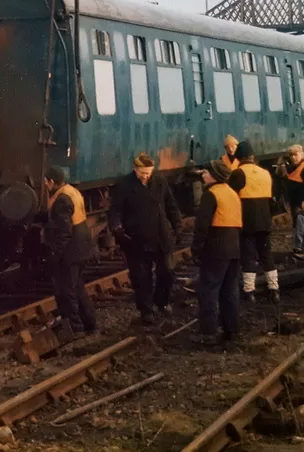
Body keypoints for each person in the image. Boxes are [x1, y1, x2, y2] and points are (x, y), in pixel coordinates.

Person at [109, 152, 182, 324]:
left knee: (167, 272)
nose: (146, 176)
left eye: (148, 172)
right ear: (135, 169)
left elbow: (171, 205)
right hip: (136, 238)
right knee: (141, 277)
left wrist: (177, 226)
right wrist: (117, 228)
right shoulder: (125, 185)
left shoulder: (160, 181)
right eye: (142, 173)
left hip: (161, 236)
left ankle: (162, 302)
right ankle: (146, 310)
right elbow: (115, 210)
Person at [191, 160, 242, 350]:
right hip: (234, 247)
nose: (203, 175)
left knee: (209, 290)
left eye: (206, 172)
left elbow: (202, 225)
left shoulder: (210, 195)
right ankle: (232, 330)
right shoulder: (232, 194)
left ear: (214, 176)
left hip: (216, 247)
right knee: (230, 290)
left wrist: (196, 249)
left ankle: (208, 333)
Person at [43, 166, 97, 336]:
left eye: (45, 181)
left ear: (51, 182)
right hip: (82, 246)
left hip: (71, 251)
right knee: (77, 288)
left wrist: (55, 253)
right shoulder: (71, 191)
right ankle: (89, 324)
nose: (44, 185)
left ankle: (75, 328)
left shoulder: (61, 199)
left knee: (66, 291)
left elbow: (65, 231)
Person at [228, 141, 278, 303]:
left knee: (248, 256)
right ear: (252, 156)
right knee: (266, 254)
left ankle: (249, 291)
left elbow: (231, 196)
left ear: (239, 158)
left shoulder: (238, 173)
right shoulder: (265, 173)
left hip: (247, 223)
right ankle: (274, 289)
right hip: (264, 222)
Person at [276, 144, 304, 260]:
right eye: (291, 155)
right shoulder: (291, 168)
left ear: (302, 154)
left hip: (303, 203)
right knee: (299, 225)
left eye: (296, 154)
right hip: (295, 202)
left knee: (302, 225)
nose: (294, 157)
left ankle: (301, 249)